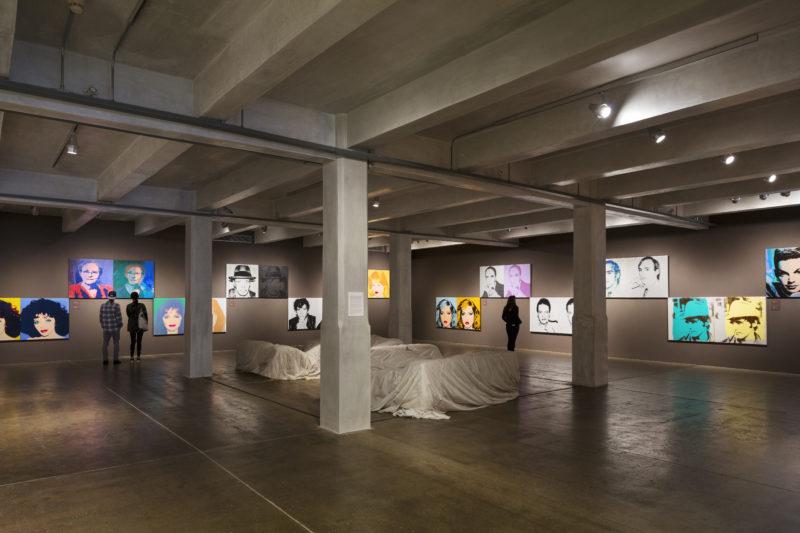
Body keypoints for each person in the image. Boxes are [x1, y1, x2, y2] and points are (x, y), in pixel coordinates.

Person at [99, 290, 123, 364]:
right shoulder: (116, 306)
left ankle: (105, 360)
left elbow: (101, 318)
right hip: (115, 328)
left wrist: (103, 326)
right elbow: (119, 317)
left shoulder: (102, 306)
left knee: (105, 344)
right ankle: (115, 359)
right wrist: (120, 324)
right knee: (116, 344)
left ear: (108, 297)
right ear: (115, 297)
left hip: (106, 329)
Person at [126, 292, 147, 362]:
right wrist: (145, 324)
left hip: (132, 325)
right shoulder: (142, 305)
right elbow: (145, 315)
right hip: (140, 326)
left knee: (132, 341)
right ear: (138, 297)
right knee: (139, 342)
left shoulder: (128, 306)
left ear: (131, 298)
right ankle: (138, 357)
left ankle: (131, 357)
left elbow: (128, 315)